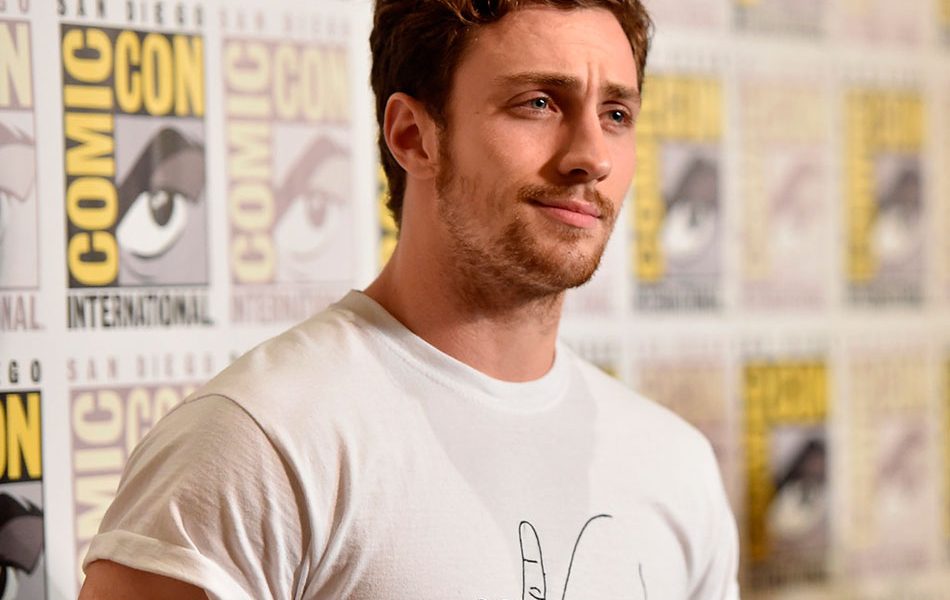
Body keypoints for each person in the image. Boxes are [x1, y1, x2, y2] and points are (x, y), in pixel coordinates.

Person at [79, 0, 741, 598]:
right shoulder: (262, 443)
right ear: (412, 137)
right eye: (539, 103)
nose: (592, 156)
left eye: (616, 115)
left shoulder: (675, 467)